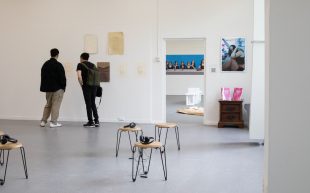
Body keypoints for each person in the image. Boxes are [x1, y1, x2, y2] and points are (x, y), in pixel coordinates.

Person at [40, 48, 66, 128]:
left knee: (48, 105)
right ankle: (53, 122)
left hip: (48, 89)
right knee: (56, 105)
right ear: (57, 55)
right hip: (58, 89)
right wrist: (63, 87)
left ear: (50, 54)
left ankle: (43, 121)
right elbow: (62, 77)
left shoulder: (45, 64)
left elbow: (43, 76)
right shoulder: (58, 65)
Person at [76, 53, 100, 128]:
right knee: (93, 103)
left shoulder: (80, 64)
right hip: (94, 86)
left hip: (86, 86)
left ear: (81, 58)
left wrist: (82, 85)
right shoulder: (93, 65)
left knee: (88, 104)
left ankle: (90, 122)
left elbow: (79, 77)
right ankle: (96, 121)